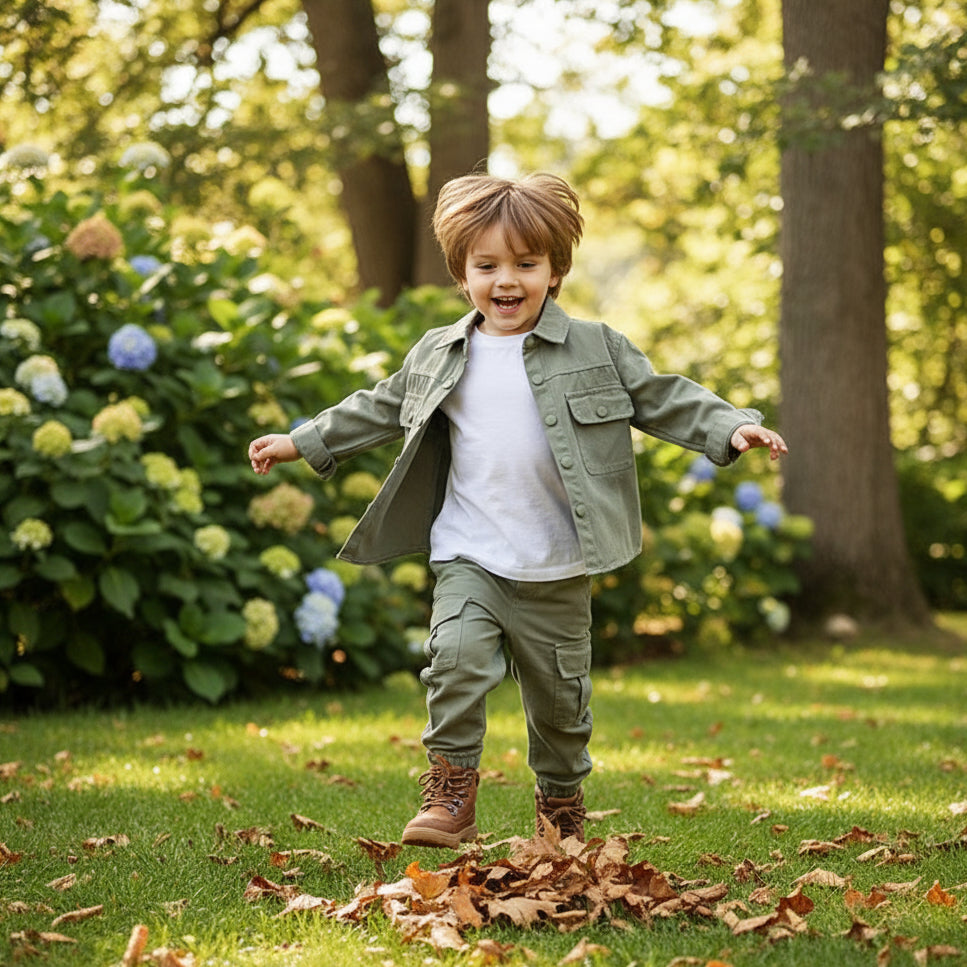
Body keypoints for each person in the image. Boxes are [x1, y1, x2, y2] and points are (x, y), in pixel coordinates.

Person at [248, 172, 788, 849]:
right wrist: (302, 441)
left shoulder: (596, 347)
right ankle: (450, 795)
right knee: (454, 658)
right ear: (462, 273)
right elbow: (380, 406)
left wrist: (729, 427)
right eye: (488, 265)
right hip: (469, 552)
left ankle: (560, 809)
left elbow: (662, 396)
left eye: (526, 264)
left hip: (557, 565)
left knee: (561, 708)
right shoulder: (442, 352)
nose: (507, 279)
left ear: (554, 271)